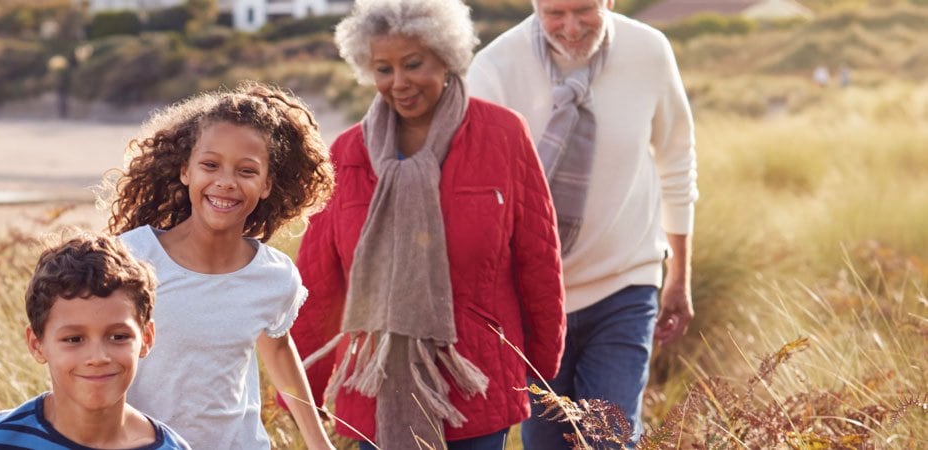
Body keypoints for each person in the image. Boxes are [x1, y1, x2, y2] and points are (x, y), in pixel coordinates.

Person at [288, 0, 567, 448]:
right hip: (376, 383)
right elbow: (319, 281)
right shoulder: (346, 154)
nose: (399, 83)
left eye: (413, 64)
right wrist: (303, 387)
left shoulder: (503, 134)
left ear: (446, 57)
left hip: (477, 377)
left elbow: (538, 256)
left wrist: (539, 363)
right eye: (383, 69)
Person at [466, 0, 699, 446]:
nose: (571, 28)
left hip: (625, 287)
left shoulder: (648, 51)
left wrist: (679, 274)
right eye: (555, 13)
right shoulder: (495, 68)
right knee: (546, 444)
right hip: (532, 302)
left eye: (585, 10)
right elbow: (474, 196)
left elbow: (676, 159)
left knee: (609, 439)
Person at [106, 81, 337, 450]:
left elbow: (278, 350)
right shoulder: (130, 259)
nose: (226, 182)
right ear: (186, 171)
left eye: (247, 171)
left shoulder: (274, 277)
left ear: (266, 185)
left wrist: (319, 442)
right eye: (210, 165)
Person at [0, 234, 191, 450]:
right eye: (74, 339)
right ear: (36, 344)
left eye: (118, 337)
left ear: (146, 339)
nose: (97, 357)